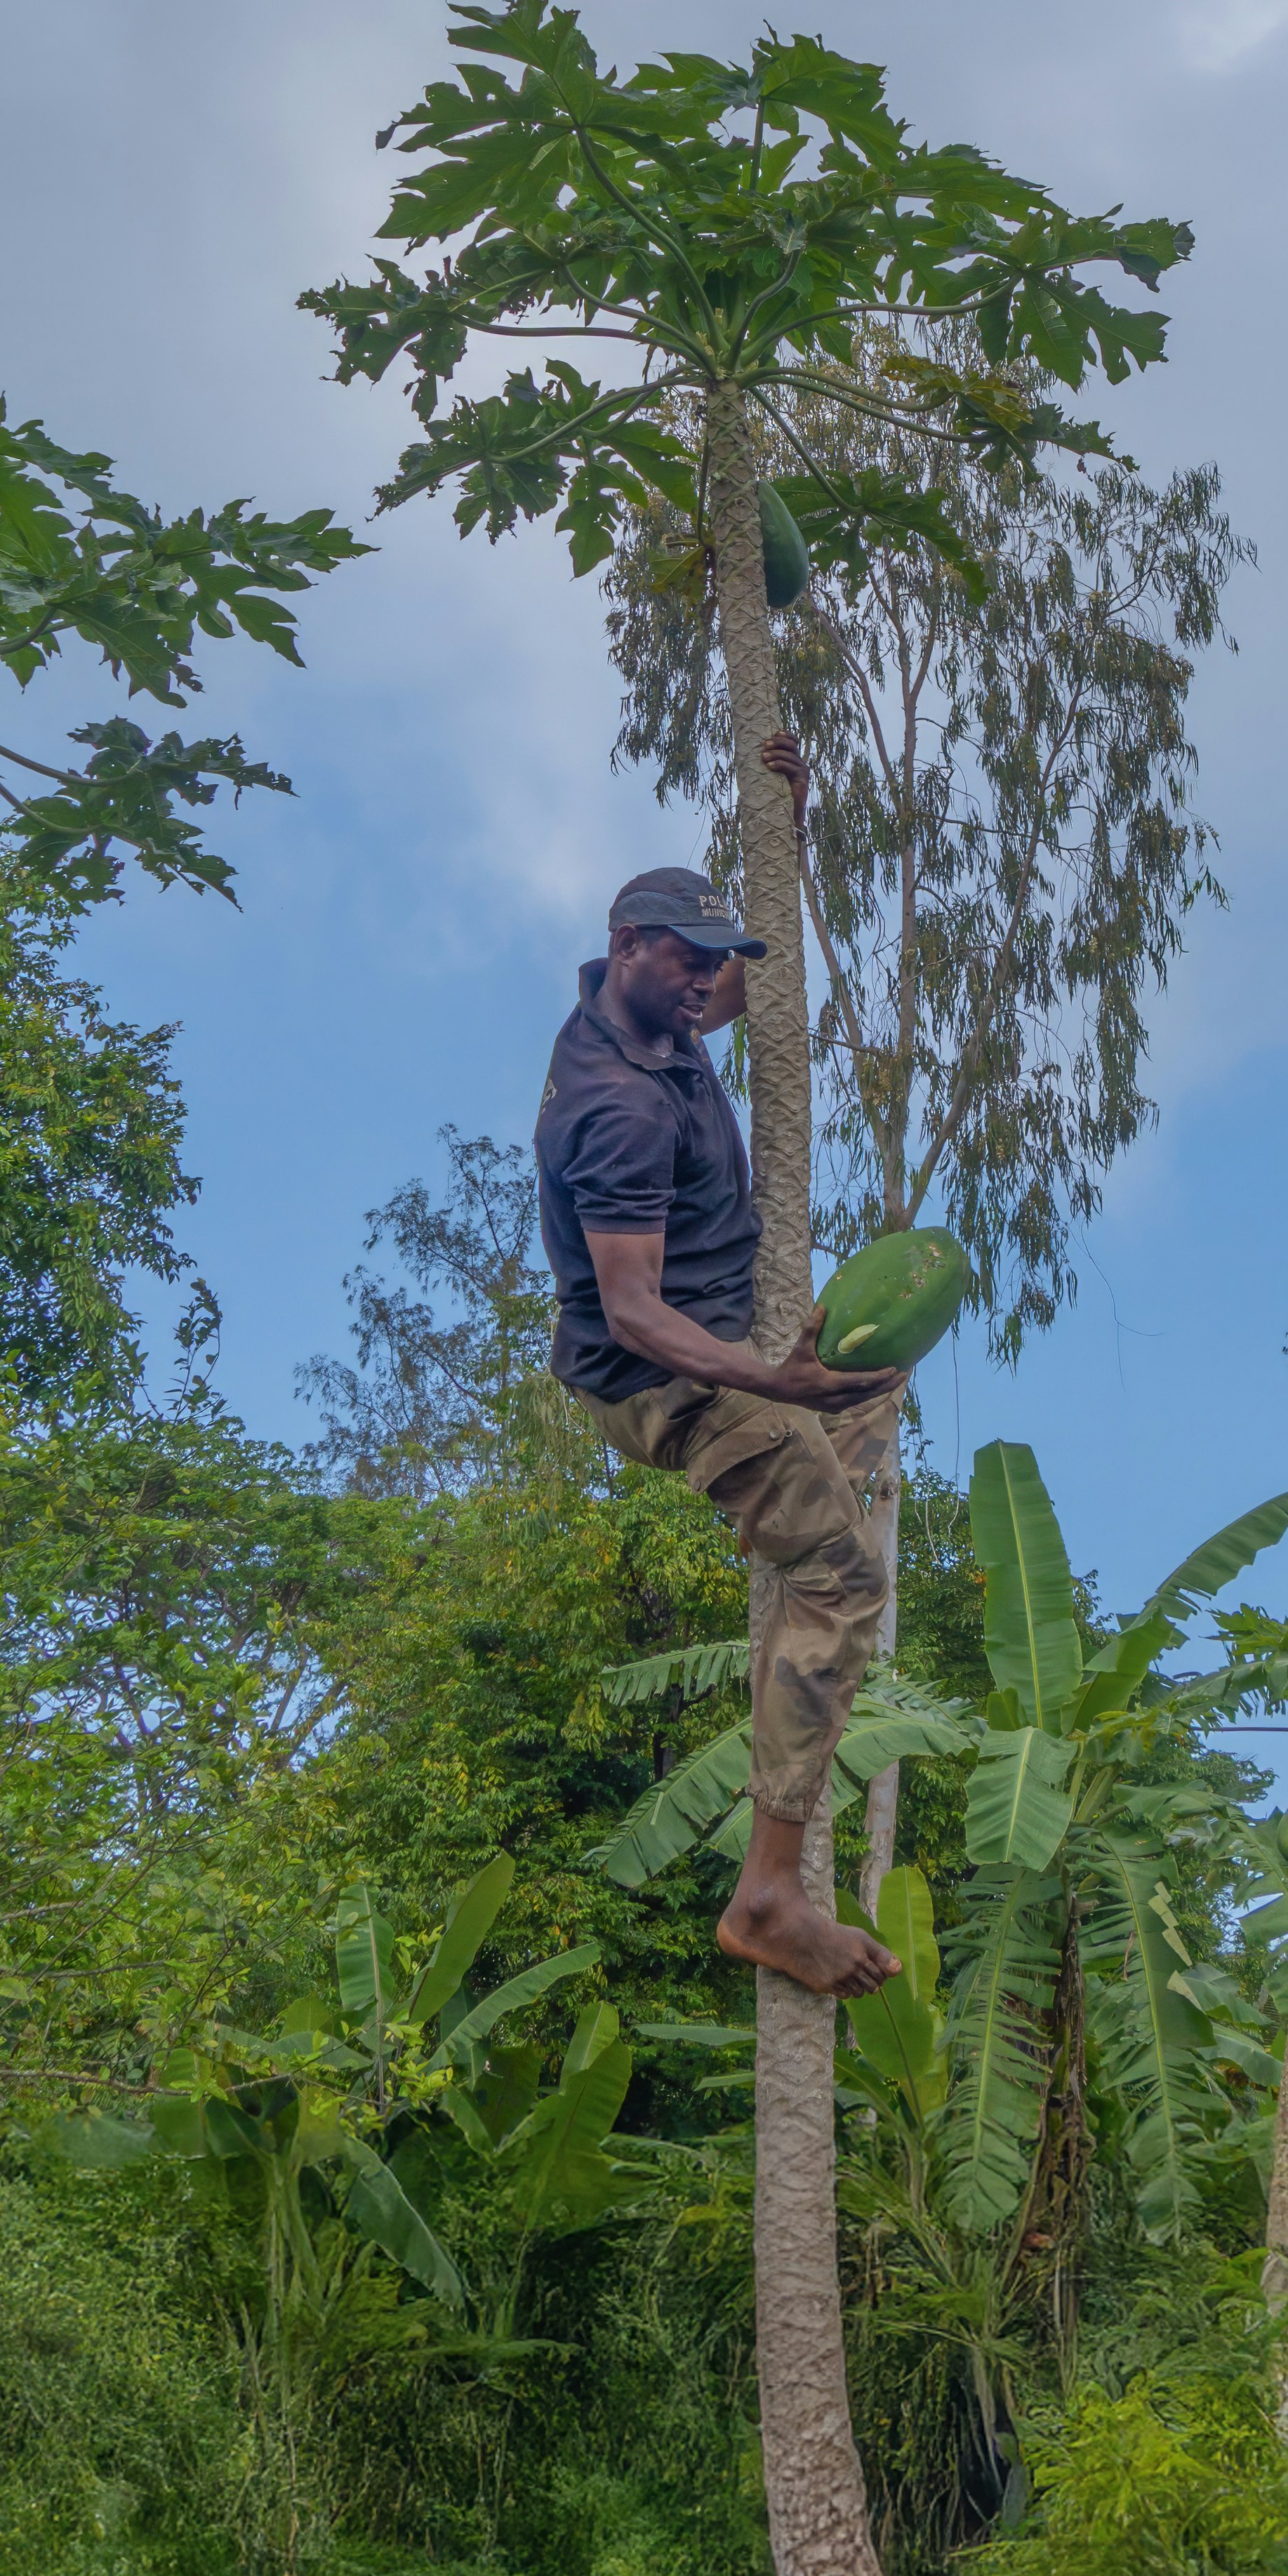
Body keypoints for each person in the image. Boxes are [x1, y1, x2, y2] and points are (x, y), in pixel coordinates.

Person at [536, 738, 903, 2000]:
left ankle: (787, 1498)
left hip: (724, 1330)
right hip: (669, 1378)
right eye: (685, 956)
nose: (705, 981)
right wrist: (771, 1383)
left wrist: (783, 838)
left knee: (873, 1379)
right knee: (846, 1582)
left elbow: (747, 992)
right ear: (624, 941)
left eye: (711, 960)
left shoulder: (655, 1015)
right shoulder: (617, 1104)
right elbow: (633, 1316)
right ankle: (768, 1891)